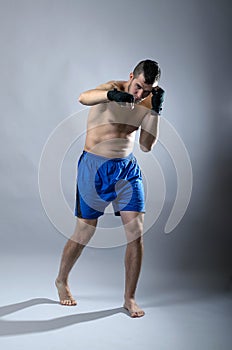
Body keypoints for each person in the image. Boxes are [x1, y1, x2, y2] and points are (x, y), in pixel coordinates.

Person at [55, 59, 165, 318]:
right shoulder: (111, 89)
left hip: (126, 170)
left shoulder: (148, 101)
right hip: (94, 167)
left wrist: (155, 111)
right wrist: (111, 95)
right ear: (131, 77)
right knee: (84, 231)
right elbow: (83, 97)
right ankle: (61, 280)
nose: (140, 95)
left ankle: (129, 298)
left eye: (147, 91)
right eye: (138, 87)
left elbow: (147, 146)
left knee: (136, 233)